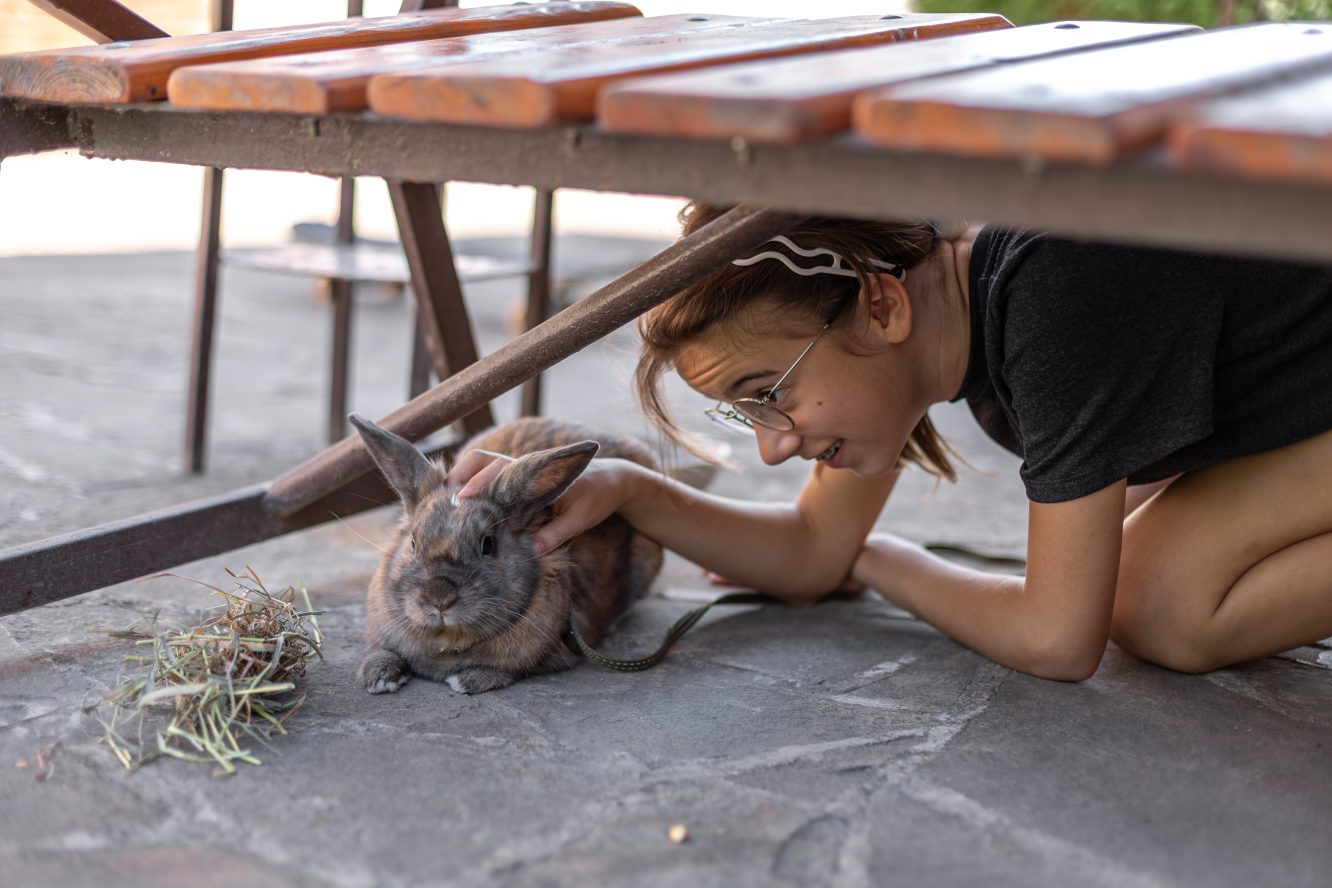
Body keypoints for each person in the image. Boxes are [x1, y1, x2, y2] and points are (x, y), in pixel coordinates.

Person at [449, 202, 1332, 682]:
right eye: (747, 416)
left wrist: (886, 559)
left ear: (881, 304)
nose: (773, 449)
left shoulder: (1056, 294)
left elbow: (1058, 637)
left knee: (1151, 600)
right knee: (1148, 576)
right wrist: (628, 488)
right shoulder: (931, 325)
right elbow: (809, 553)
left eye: (768, 397)